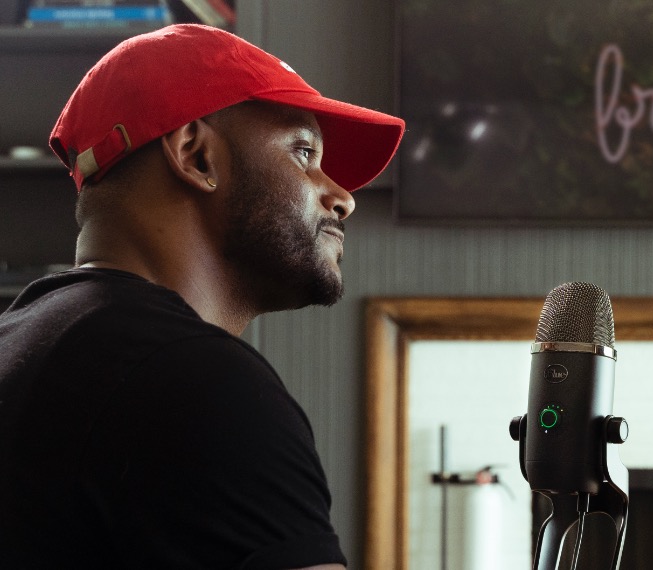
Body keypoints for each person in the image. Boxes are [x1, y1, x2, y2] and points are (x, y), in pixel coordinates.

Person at [0, 24, 404, 568]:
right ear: (196, 155)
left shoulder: (17, 347)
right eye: (304, 152)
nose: (342, 198)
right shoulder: (200, 384)